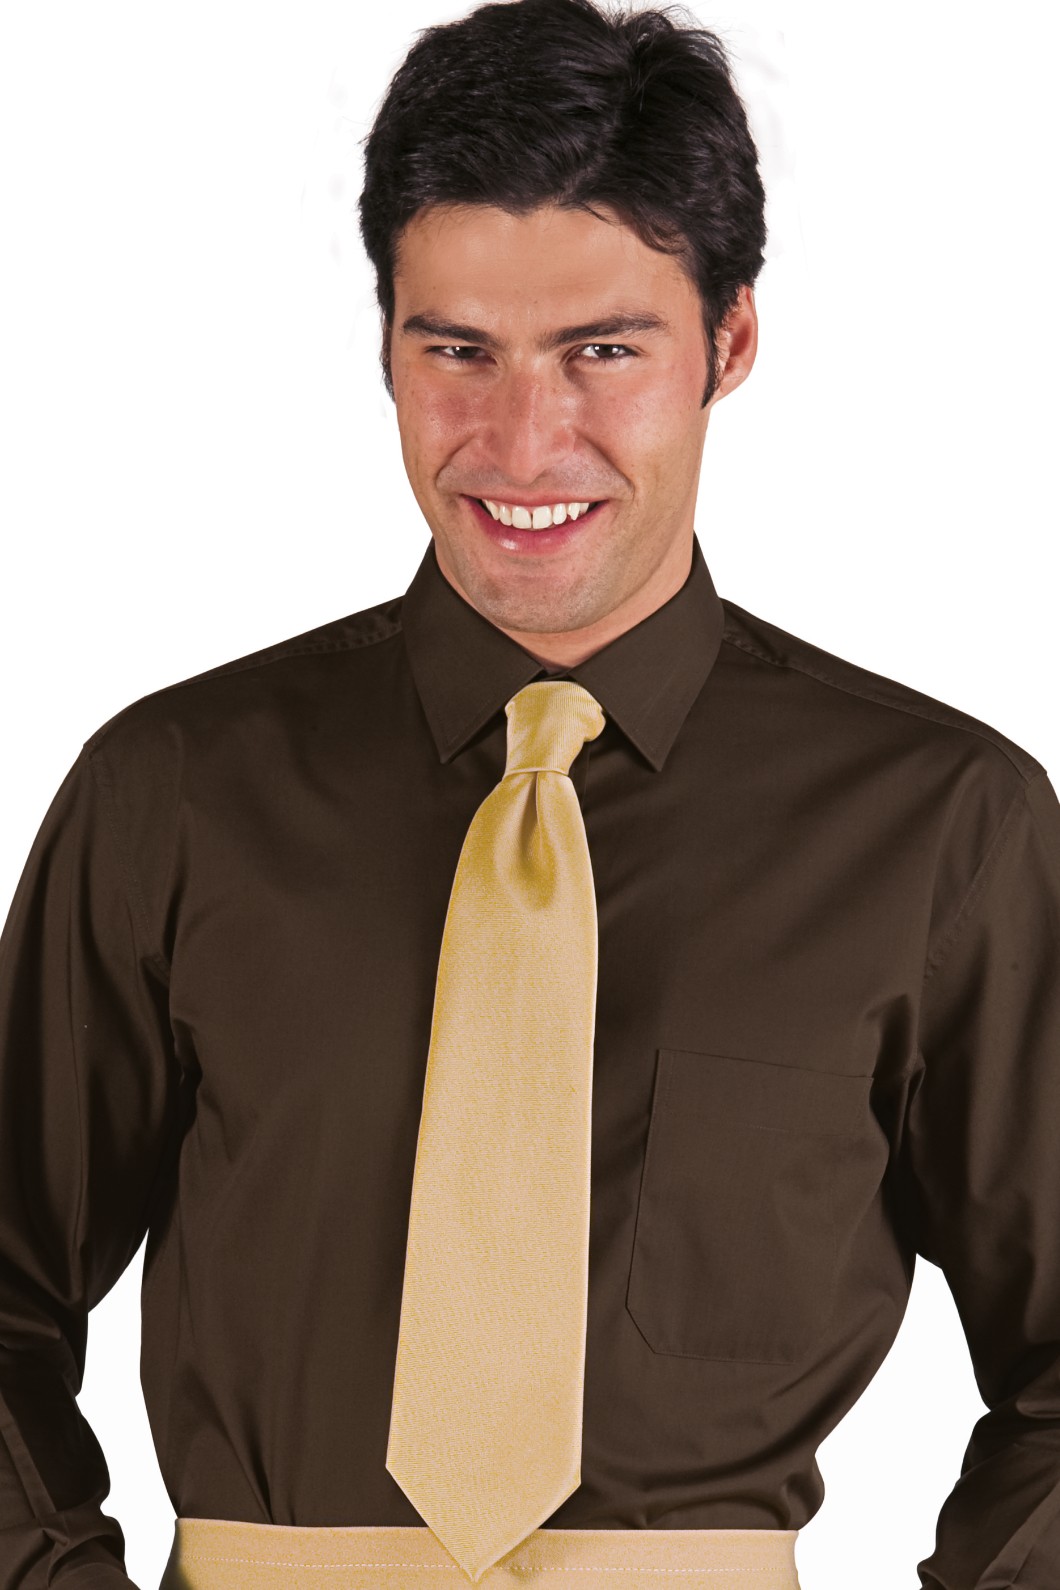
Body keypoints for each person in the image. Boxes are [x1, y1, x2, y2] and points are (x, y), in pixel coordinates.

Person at [1, 0, 1058, 1585]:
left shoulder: (945, 829)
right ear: (386, 344)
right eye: (458, 352)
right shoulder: (172, 795)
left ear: (731, 343)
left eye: (602, 352)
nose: (520, 439)